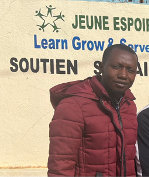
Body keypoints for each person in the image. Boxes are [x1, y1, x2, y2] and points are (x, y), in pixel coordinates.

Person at [48, 44, 139, 177]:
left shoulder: (129, 106)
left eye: (130, 70)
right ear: (101, 67)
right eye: (116, 66)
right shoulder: (73, 106)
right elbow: (60, 166)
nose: (123, 75)